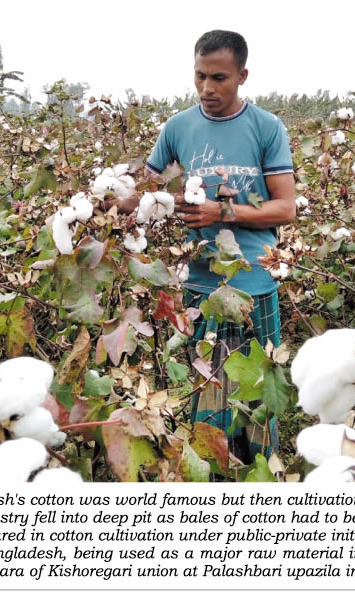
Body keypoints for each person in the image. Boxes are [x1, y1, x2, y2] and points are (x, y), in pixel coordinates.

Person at [119, 30, 296, 465]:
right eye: (200, 76)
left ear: (242, 76)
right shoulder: (178, 128)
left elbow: (286, 207)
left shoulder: (266, 128)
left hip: (255, 284)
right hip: (199, 287)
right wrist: (110, 199)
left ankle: (259, 479)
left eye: (219, 78)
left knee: (257, 406)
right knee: (207, 410)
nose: (206, 88)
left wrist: (223, 212)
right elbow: (145, 191)